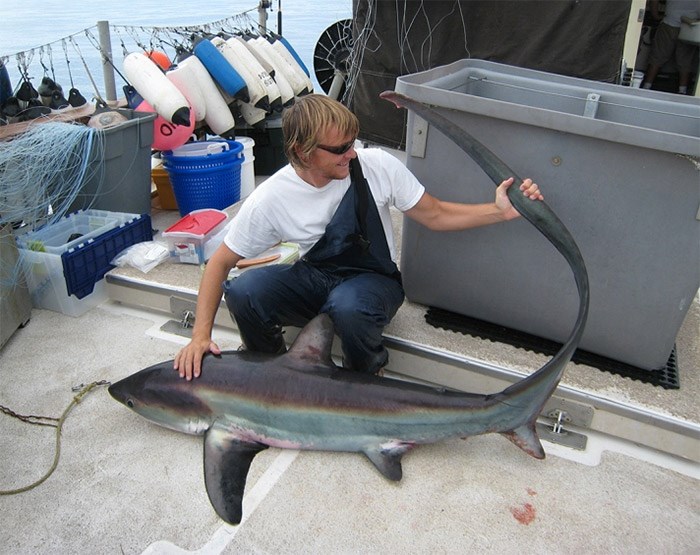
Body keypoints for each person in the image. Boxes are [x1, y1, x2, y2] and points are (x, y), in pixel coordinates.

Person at [174, 94, 543, 380]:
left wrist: (498, 211)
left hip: (372, 282)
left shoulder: (376, 166)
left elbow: (436, 214)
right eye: (339, 149)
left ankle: (366, 377)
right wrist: (200, 337)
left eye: (353, 142)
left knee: (348, 306)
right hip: (315, 276)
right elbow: (220, 263)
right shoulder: (272, 197)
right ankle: (274, 369)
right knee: (243, 290)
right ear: (302, 151)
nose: (352, 153)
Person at [642, 0, 700, 94]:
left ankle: (646, 86)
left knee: (658, 56)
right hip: (690, 26)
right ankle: (682, 91)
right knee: (685, 60)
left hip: (669, 23)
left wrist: (656, 15)